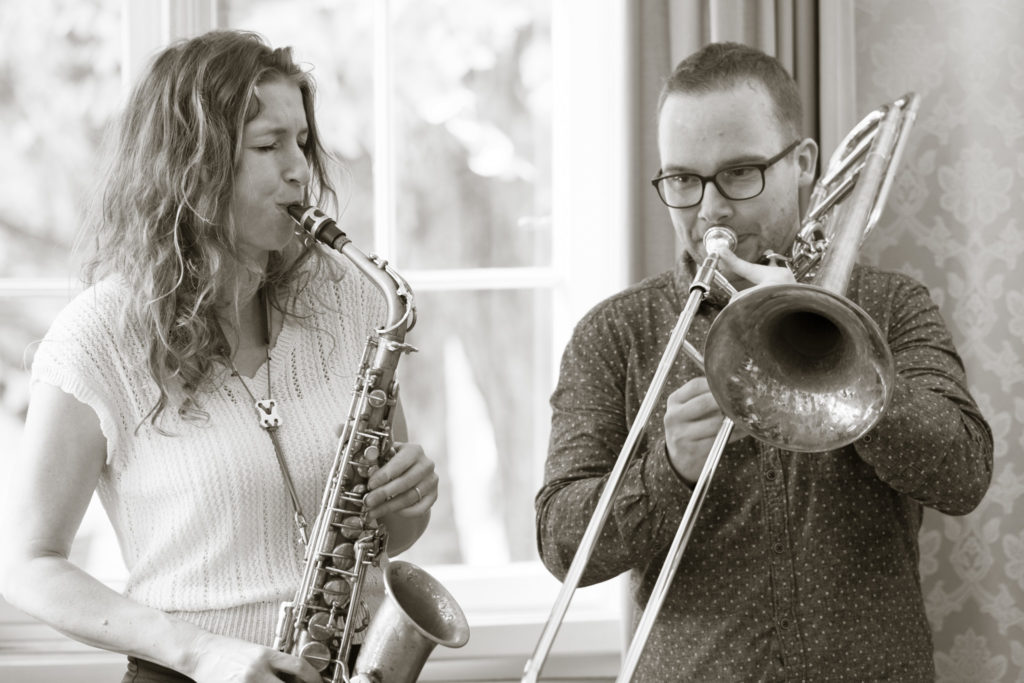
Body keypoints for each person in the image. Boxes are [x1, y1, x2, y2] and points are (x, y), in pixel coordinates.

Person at [535, 42, 993, 682]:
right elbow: (561, 543)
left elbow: (963, 473)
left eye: (741, 173)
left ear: (803, 164)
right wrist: (667, 470)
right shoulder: (614, 334)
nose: (710, 210)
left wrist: (850, 368)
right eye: (683, 180)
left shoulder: (890, 306)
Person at [0, 30, 439, 683]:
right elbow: (27, 564)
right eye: (268, 145)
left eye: (302, 142)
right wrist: (199, 650)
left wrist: (407, 502)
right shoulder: (97, 336)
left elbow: (379, 536)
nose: (299, 170)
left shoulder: (349, 299)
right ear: (192, 165)